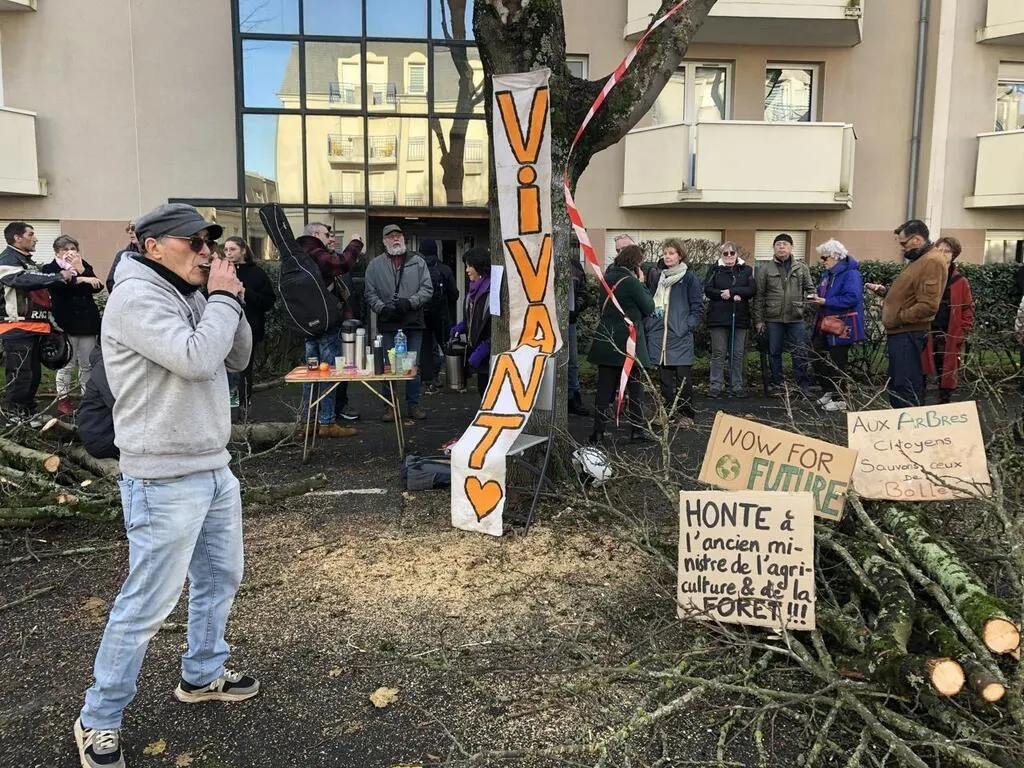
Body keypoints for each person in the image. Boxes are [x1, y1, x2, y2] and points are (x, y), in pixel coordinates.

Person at [75, 203, 258, 768]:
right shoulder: (136, 297)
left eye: (209, 243)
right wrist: (222, 299)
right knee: (146, 604)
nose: (206, 252)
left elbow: (237, 355)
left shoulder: (191, 293)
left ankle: (202, 673)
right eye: (194, 243)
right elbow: (196, 359)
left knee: (220, 578)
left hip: (211, 464)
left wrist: (230, 301)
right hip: (161, 475)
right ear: (152, 246)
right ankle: (99, 717)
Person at [0, 221, 75, 426]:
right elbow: (21, 280)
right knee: (20, 375)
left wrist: (53, 326)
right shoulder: (7, 260)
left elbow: (40, 293)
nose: (36, 239)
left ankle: (29, 413)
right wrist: (57, 276)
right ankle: (14, 416)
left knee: (33, 375)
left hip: (35, 328)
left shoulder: (27, 262)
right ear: (17, 238)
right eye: (31, 234)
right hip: (16, 328)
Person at [867, 220, 947, 408]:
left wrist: (899, 317)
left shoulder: (931, 261)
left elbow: (928, 305)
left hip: (908, 333)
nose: (902, 248)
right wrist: (886, 292)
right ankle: (903, 420)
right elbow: (911, 294)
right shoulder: (921, 260)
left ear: (917, 239)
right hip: (903, 333)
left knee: (905, 386)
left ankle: (908, 423)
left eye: (904, 243)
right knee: (900, 384)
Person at [295, 222, 361, 436]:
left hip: (307, 325)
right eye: (327, 234)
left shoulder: (296, 255)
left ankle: (307, 422)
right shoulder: (315, 252)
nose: (330, 238)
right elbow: (341, 263)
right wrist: (355, 243)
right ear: (315, 234)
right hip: (326, 324)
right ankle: (327, 422)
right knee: (328, 373)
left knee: (311, 374)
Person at [363, 223, 433, 421]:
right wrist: (382, 308)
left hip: (413, 321)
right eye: (390, 236)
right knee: (387, 366)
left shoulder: (418, 262)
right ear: (384, 241)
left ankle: (413, 404)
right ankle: (389, 406)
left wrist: (410, 302)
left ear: (403, 239)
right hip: (388, 322)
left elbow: (427, 289)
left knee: (413, 364)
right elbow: (369, 293)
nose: (395, 239)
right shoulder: (374, 265)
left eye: (398, 235)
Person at [587, 244, 655, 444]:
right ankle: (637, 430)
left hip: (606, 339)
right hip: (629, 341)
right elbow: (649, 307)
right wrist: (641, 283)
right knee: (635, 388)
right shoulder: (632, 282)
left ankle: (598, 432)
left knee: (604, 388)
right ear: (636, 263)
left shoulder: (606, 279)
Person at [41, 235, 104, 416]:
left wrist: (81, 269)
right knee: (66, 364)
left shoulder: (83, 265)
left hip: (87, 323)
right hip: (65, 323)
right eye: (65, 249)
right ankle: (63, 399)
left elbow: (97, 286)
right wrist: (82, 280)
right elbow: (60, 287)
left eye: (73, 249)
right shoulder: (50, 268)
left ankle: (87, 398)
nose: (70, 253)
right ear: (57, 252)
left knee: (87, 364)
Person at [644, 238, 703, 426]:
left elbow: (697, 307)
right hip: (660, 336)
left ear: (680, 255)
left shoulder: (689, 279)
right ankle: (667, 413)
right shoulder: (658, 278)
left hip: (679, 336)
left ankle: (687, 414)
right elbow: (650, 304)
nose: (667, 256)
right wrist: (650, 325)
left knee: (684, 379)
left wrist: (687, 327)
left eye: (671, 253)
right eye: (665, 253)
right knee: (665, 381)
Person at [753, 233, 815, 396]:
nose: (781, 247)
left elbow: (811, 291)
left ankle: (803, 386)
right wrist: (759, 320)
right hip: (773, 318)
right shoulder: (765, 269)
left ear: (791, 247)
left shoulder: (801, 268)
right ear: (773, 248)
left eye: (785, 244)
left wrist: (806, 310)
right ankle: (778, 385)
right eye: (778, 244)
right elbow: (759, 296)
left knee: (800, 352)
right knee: (774, 352)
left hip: (796, 318)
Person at [807, 239, 865, 413]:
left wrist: (825, 301)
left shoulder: (851, 274)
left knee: (837, 362)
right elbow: (824, 293)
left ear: (836, 256)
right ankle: (829, 390)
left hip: (843, 325)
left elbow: (852, 298)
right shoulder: (828, 274)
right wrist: (816, 297)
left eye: (825, 257)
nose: (822, 261)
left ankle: (841, 398)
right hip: (826, 322)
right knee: (816, 355)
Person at [223, 236, 276, 414]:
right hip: (224, 328)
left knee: (244, 369)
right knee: (225, 370)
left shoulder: (257, 273)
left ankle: (244, 408)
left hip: (249, 329)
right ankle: (229, 409)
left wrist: (246, 292)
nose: (228, 253)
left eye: (232, 249)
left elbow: (268, 301)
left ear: (243, 250)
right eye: (226, 249)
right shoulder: (222, 272)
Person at [921, 236, 975, 404]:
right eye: (939, 250)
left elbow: (967, 308)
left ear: (954, 255)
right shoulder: (926, 276)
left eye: (947, 251)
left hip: (949, 333)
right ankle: (919, 406)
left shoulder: (960, 281)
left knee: (947, 374)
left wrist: (962, 329)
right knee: (921, 371)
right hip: (927, 331)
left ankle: (944, 407)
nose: (943, 254)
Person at [704, 241, 755, 398]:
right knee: (719, 352)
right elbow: (707, 289)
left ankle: (736, 385)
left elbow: (752, 289)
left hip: (739, 317)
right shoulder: (714, 269)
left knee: (737, 354)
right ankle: (716, 385)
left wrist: (733, 292)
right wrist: (723, 294)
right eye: (725, 253)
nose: (729, 256)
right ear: (721, 255)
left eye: (732, 253)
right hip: (718, 317)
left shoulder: (746, 270)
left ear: (736, 254)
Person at [418, 237, 459, 394]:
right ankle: (457, 380)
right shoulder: (445, 269)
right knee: (448, 345)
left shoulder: (417, 269)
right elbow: (454, 294)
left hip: (422, 316)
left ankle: (429, 381)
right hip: (442, 315)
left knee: (426, 348)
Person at [450, 247, 492, 396]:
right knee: (482, 392)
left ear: (479, 266)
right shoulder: (472, 292)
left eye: (469, 266)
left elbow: (496, 326)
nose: (467, 270)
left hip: (490, 356)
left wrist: (483, 349)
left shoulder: (493, 291)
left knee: (488, 394)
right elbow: (473, 318)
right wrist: (461, 327)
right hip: (479, 356)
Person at [77, 345, 117, 460]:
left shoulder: (107, 362)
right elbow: (117, 405)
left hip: (101, 431)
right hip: (100, 438)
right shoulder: (105, 367)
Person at [567, 256, 590, 416]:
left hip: (570, 321)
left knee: (573, 361)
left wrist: (576, 307)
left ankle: (573, 396)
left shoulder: (574, 266)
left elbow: (584, 291)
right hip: (546, 320)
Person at [105, 221, 140, 294]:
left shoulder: (155, 254)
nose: (130, 232)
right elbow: (111, 281)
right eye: (128, 229)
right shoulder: (122, 255)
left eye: (133, 228)